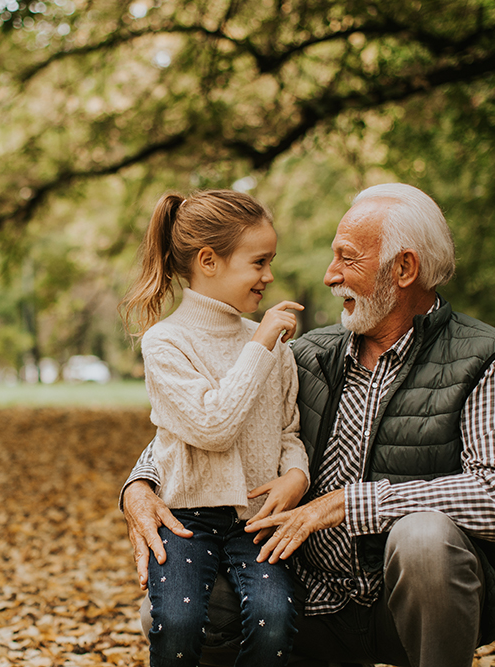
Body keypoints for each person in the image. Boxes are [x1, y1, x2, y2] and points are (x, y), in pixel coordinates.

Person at [121, 183, 495, 667]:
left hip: (405, 609)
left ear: (404, 268)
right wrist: (139, 485)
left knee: (424, 541)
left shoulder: (483, 359)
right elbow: (207, 419)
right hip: (309, 599)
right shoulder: (305, 354)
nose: (328, 275)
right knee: (169, 613)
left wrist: (352, 504)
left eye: (347, 258)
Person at [120, 189, 312, 666]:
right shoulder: (165, 343)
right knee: (179, 625)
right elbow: (213, 425)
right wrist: (261, 343)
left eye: (271, 261)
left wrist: (297, 475)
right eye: (258, 262)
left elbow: (289, 430)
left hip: (257, 521)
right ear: (208, 260)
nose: (268, 275)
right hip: (186, 519)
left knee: (275, 621)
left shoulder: (275, 346)